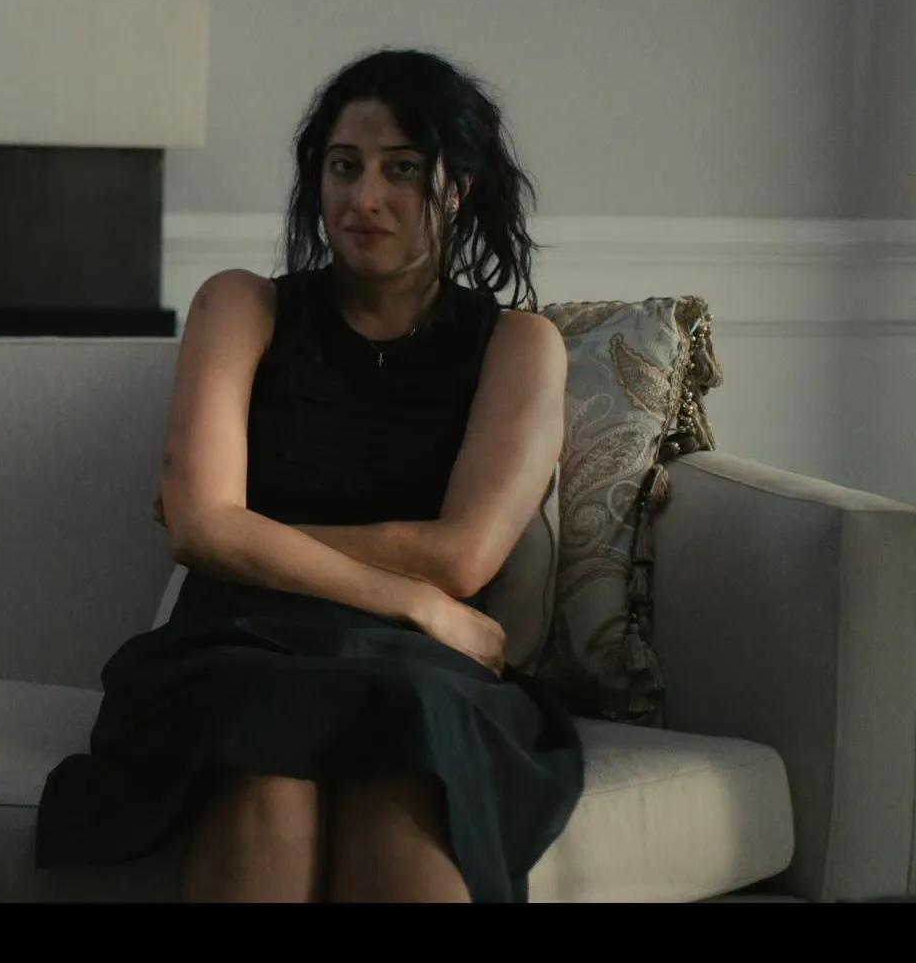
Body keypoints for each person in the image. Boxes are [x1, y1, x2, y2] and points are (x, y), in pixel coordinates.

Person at [34, 49, 584, 903]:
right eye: (344, 166)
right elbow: (201, 531)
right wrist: (413, 599)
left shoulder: (519, 345)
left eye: (403, 169)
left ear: (458, 188)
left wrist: (243, 532)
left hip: (421, 666)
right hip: (243, 642)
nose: (364, 198)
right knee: (265, 750)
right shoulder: (241, 306)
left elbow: (462, 556)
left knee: (405, 751)